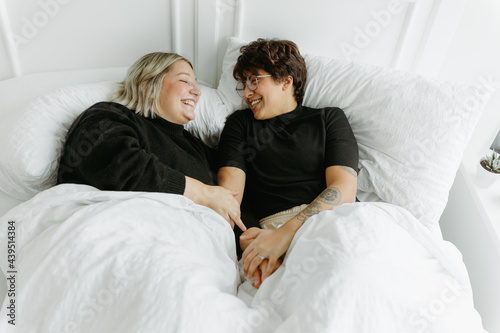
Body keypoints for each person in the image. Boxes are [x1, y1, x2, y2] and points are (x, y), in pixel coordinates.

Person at [217, 39, 359, 288]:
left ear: (286, 80)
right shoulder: (240, 124)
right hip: (268, 230)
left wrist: (284, 236)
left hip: (335, 220)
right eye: (243, 85)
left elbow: (344, 190)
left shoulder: (328, 119)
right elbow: (230, 198)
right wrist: (254, 242)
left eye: (254, 80)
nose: (247, 93)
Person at [57, 52, 245, 231]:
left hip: (189, 245)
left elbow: (226, 203)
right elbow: (122, 167)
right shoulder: (109, 116)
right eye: (184, 80)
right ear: (148, 87)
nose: (197, 92)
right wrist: (203, 193)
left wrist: (249, 238)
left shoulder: (197, 147)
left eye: (196, 84)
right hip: (111, 229)